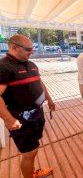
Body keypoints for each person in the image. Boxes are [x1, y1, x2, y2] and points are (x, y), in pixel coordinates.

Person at [0, 34, 54, 178]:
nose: (32, 52)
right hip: (20, 118)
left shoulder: (31, 64)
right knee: (29, 152)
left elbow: (39, 83)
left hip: (37, 114)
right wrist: (8, 119)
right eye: (28, 49)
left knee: (34, 148)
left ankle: (32, 172)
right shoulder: (4, 67)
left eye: (32, 49)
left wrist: (49, 99)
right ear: (13, 47)